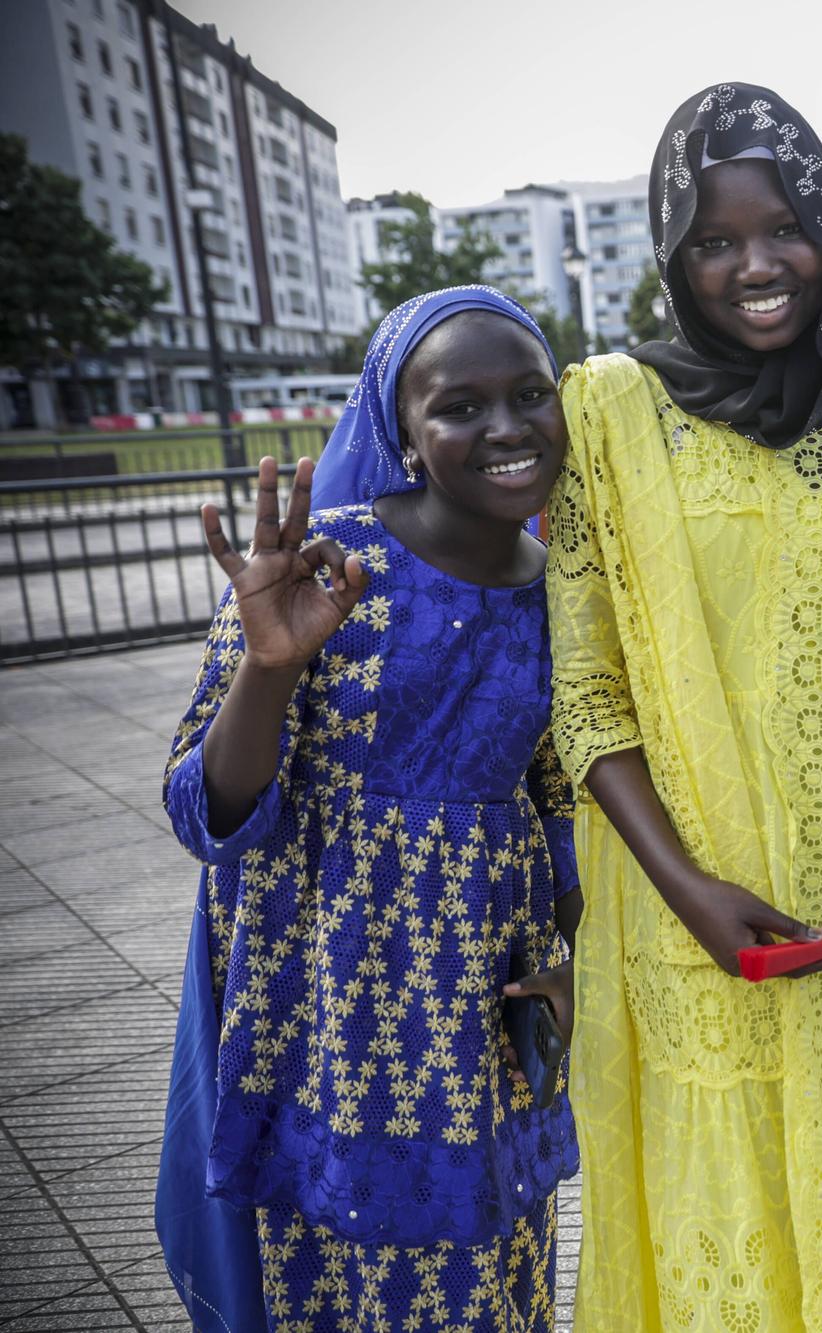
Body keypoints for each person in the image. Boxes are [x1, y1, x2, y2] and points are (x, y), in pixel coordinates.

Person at [548, 83, 822, 1331]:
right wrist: (689, 891)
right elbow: (587, 695)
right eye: (716, 242)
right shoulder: (610, 415)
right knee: (725, 1234)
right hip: (701, 920)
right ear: (674, 257)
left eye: (781, 228)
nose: (755, 266)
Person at [155, 286, 581, 1333]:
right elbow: (207, 811)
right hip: (328, 998)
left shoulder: (574, 590)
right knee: (332, 1274)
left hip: (488, 1002)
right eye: (460, 406)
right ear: (402, 428)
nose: (506, 427)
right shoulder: (324, 565)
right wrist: (268, 665)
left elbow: (570, 806)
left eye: (531, 394)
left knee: (491, 1274)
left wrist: (581, 956)